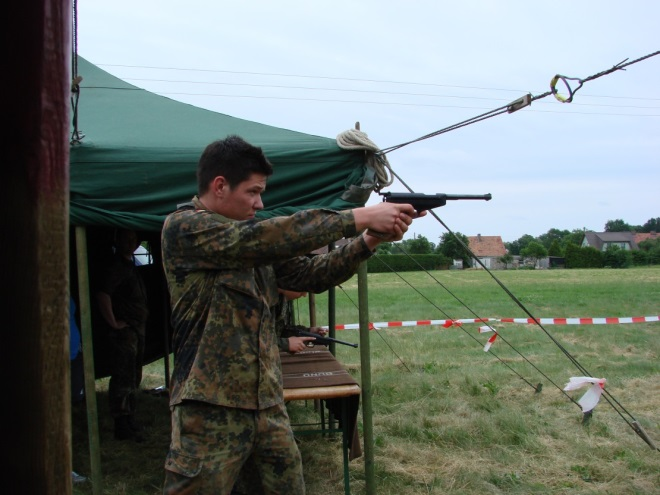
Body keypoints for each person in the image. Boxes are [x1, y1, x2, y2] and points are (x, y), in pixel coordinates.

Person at [161, 134, 420, 494]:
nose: (259, 202)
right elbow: (267, 236)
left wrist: (369, 240)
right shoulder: (184, 228)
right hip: (210, 407)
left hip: (266, 401)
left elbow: (309, 275)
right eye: (252, 192)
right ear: (220, 186)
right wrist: (360, 216)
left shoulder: (251, 242)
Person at [96, 228, 149, 442]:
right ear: (117, 241)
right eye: (126, 239)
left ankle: (129, 419)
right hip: (124, 334)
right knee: (123, 378)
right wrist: (113, 323)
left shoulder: (130, 266)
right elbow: (102, 294)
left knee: (133, 376)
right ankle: (121, 423)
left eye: (133, 239)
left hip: (136, 330)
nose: (130, 243)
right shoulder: (116, 266)